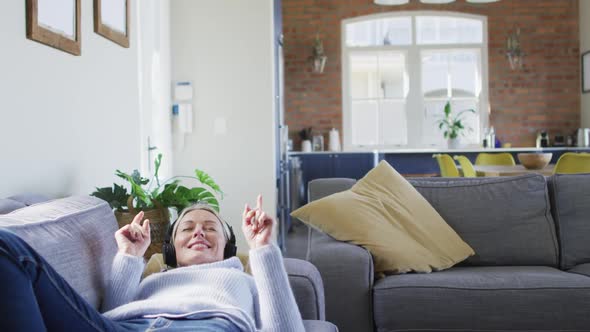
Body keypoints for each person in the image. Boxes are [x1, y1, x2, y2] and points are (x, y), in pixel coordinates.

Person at [0, 195, 305, 331]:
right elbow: (111, 314)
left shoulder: (243, 282)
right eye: (187, 228)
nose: (198, 230)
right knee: (9, 246)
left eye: (210, 227)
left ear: (228, 247)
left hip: (204, 327)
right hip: (120, 327)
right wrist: (130, 256)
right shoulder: (150, 281)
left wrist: (263, 248)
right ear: (171, 249)